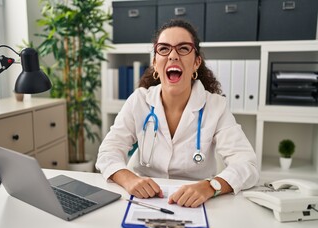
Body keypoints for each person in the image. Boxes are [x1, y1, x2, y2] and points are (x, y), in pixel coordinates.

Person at [96, 19, 259, 208]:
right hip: (141, 200)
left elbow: (248, 165)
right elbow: (108, 151)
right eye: (164, 49)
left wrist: (210, 186)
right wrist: (128, 179)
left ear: (197, 62)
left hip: (196, 203)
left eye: (183, 48)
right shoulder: (138, 101)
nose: (173, 55)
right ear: (155, 63)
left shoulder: (215, 106)